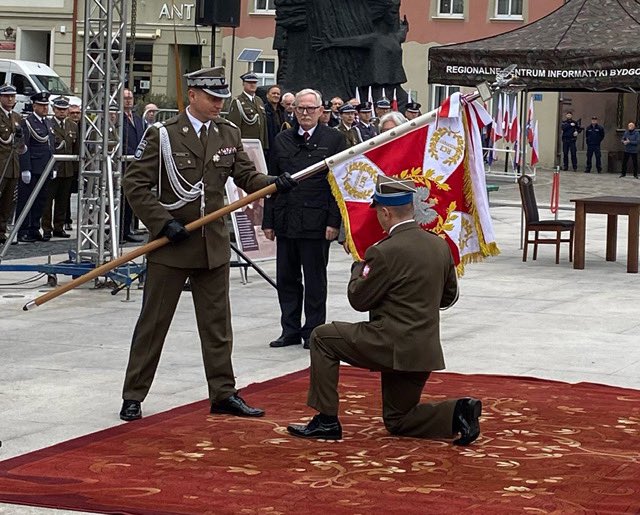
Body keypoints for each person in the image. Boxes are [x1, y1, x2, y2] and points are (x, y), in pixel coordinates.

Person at [119, 66, 297, 422]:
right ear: (194, 96)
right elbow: (134, 184)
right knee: (153, 324)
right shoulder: (164, 135)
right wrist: (162, 223)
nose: (219, 104)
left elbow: (245, 175)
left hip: (212, 244)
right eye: (213, 98)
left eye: (222, 98)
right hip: (171, 245)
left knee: (217, 326)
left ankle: (223, 393)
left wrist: (273, 183)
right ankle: (133, 394)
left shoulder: (227, 133)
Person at [287, 175, 482, 445]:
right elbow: (449, 297)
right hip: (423, 349)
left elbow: (359, 299)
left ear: (386, 212)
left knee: (321, 337)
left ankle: (326, 420)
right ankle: (458, 412)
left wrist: (358, 266)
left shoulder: (383, 252)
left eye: (378, 212)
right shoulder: (439, 245)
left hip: (388, 343)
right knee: (398, 420)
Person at [262, 88, 347, 349]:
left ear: (321, 111)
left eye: (311, 108)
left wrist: (334, 222)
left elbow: (338, 184)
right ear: (293, 110)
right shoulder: (283, 139)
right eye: (300, 108)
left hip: (317, 220)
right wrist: (269, 221)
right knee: (287, 279)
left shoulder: (334, 139)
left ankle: (313, 330)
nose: (305, 113)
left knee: (314, 280)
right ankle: (289, 329)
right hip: (286, 218)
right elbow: (272, 181)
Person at [15, 92, 54, 243]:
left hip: (45, 167)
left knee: (40, 200)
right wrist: (25, 168)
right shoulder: (28, 122)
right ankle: (23, 230)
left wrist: (53, 166)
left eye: (46, 105)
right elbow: (23, 146)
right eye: (42, 105)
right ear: (34, 106)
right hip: (32, 167)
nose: (45, 108)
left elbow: (51, 146)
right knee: (26, 200)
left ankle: (34, 228)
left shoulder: (47, 123)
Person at [42, 96, 78, 239]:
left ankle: (59, 226)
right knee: (48, 200)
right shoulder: (49, 124)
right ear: (54, 109)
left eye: (64, 109)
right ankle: (46, 228)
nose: (62, 112)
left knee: (63, 200)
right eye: (59, 109)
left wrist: (75, 169)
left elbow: (76, 148)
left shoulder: (73, 125)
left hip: (67, 168)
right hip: (53, 168)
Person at [0, 84, 26, 245]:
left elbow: (20, 144)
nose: (10, 99)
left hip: (13, 166)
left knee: (7, 203)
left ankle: (1, 232)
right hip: (1, 166)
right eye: (7, 96)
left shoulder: (16, 117)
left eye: (13, 96)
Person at [121, 88, 145, 243]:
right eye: (125, 98)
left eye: (130, 97)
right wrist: (133, 154)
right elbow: (117, 141)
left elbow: (143, 138)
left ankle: (127, 230)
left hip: (136, 164)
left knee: (130, 200)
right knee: (121, 200)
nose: (129, 100)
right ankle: (119, 232)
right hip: (123, 163)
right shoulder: (116, 118)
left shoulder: (137, 119)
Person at [226, 72, 268, 152]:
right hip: (245, 145)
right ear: (243, 84)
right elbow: (234, 126)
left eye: (254, 82)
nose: (252, 85)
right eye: (249, 82)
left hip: (259, 145)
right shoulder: (238, 102)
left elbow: (263, 125)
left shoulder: (259, 101)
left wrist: (265, 145)